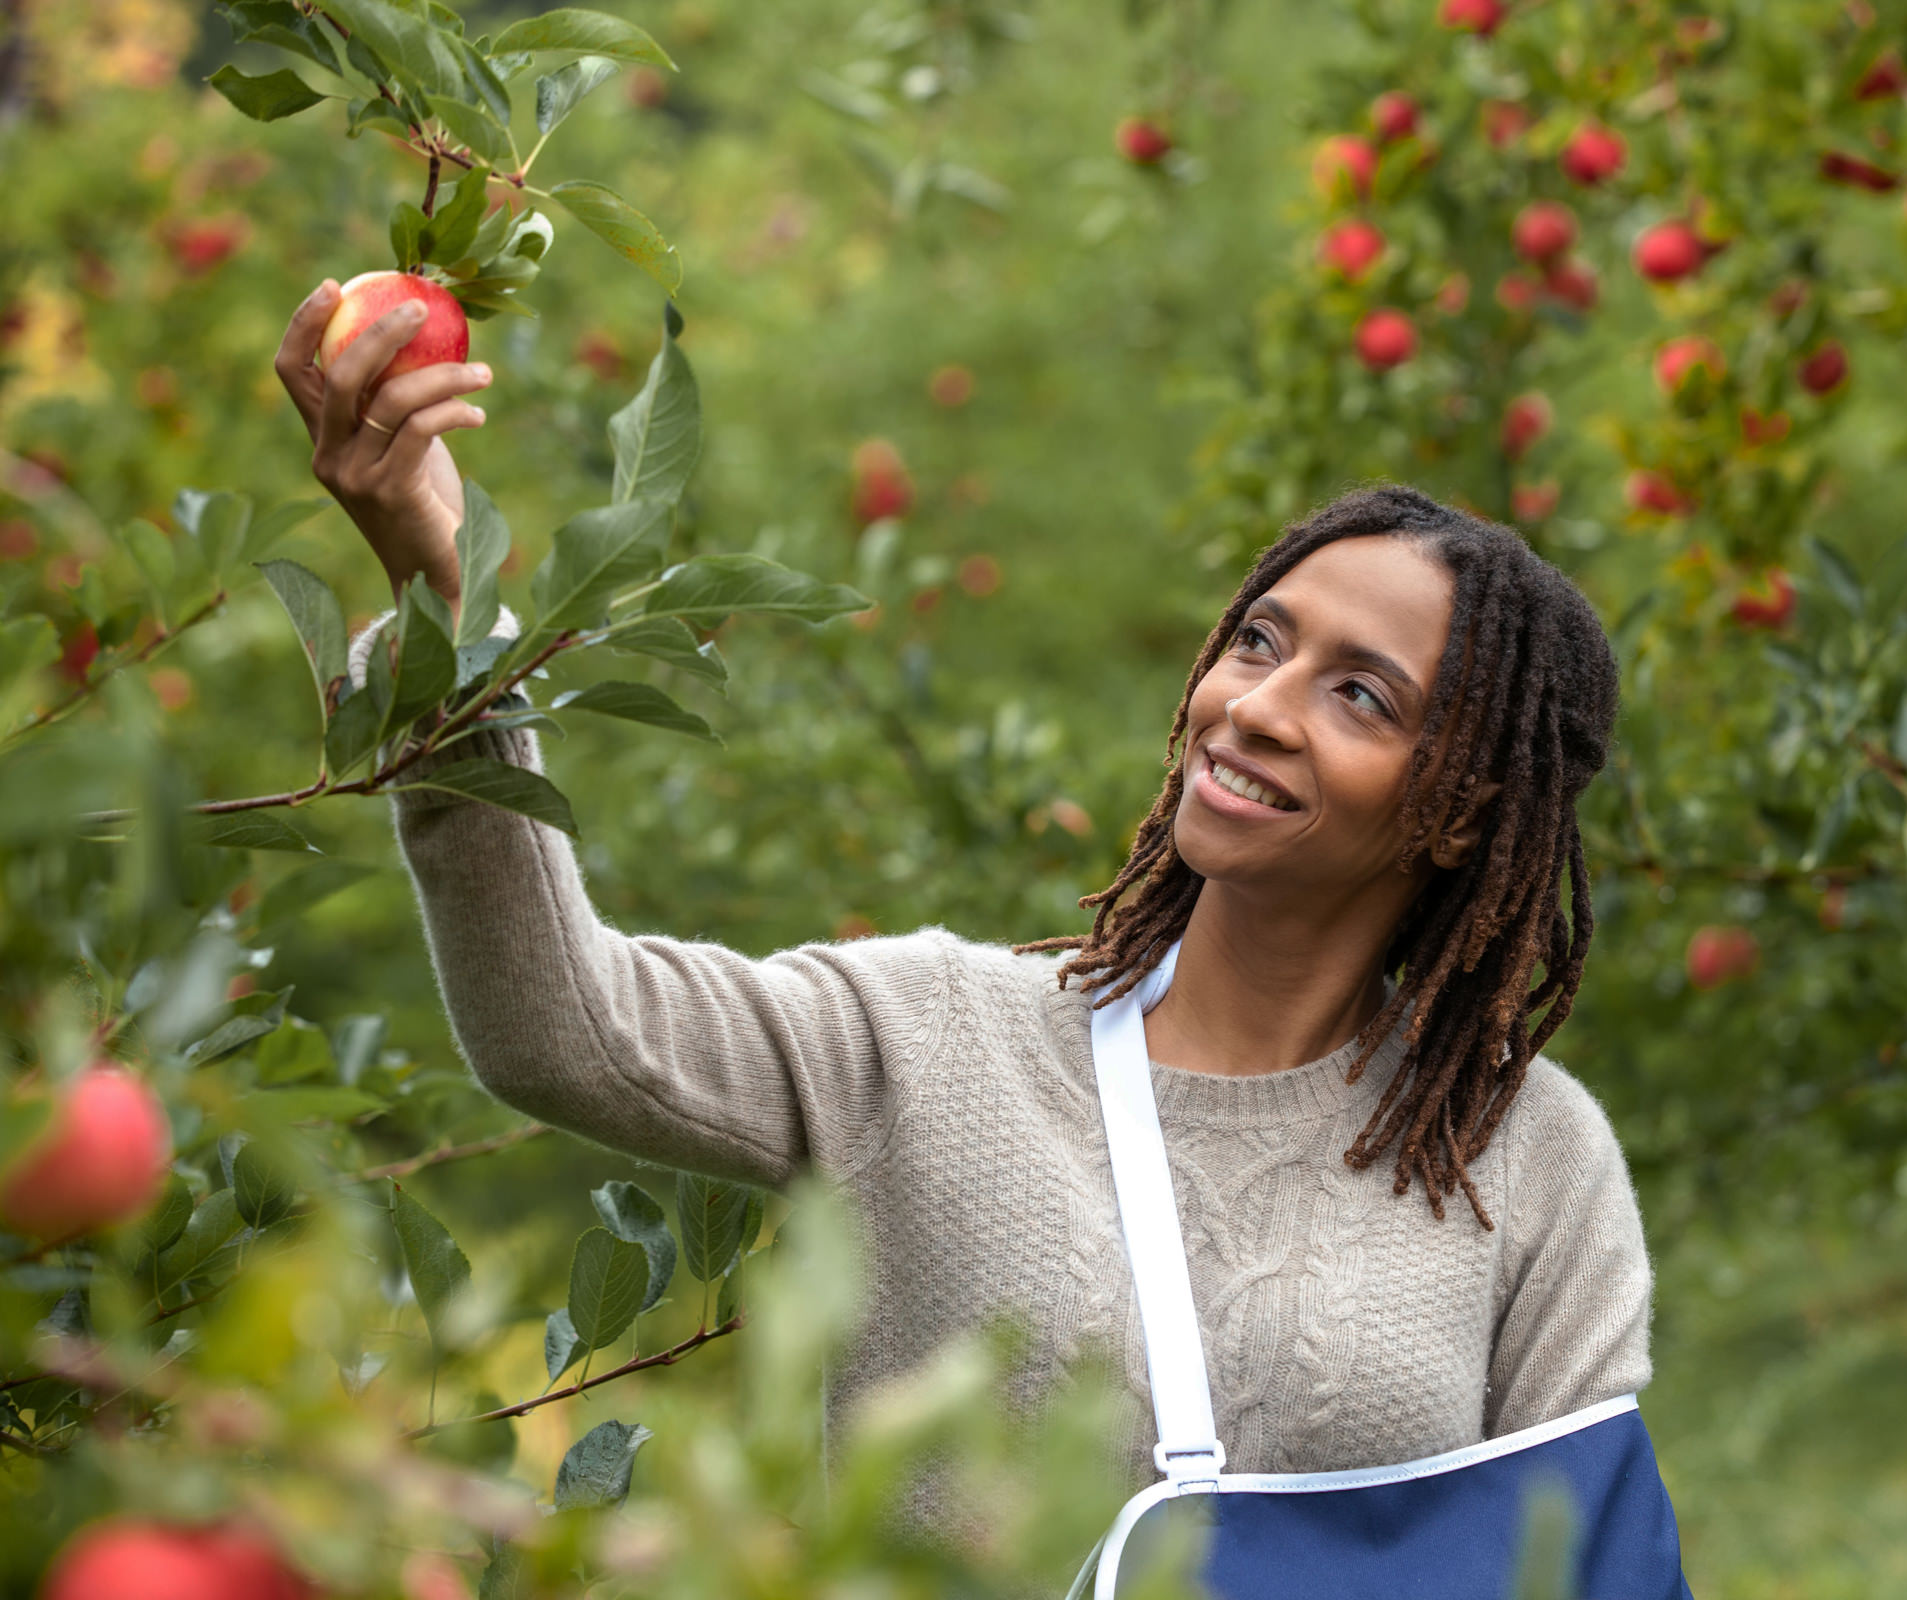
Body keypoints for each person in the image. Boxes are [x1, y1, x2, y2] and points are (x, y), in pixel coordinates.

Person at [273, 284, 1657, 1490]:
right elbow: (564, 1028)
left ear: (1466, 810)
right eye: (1258, 641)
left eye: (1360, 695)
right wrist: (439, 569)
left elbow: (1579, 1557)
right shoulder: (938, 1039)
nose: (1259, 707)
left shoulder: (1526, 1160)